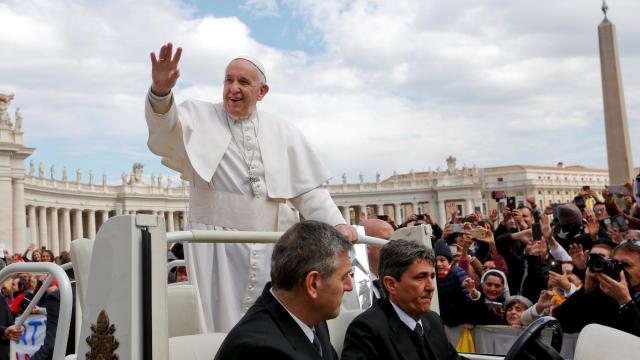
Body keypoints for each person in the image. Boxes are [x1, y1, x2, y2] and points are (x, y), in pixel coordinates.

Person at [145, 43, 357, 332]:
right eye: (228, 80)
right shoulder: (198, 114)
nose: (233, 88)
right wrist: (160, 91)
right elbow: (164, 128)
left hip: (272, 245)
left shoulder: (282, 131)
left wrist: (338, 224)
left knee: (272, 325)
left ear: (262, 92)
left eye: (243, 82)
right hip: (215, 247)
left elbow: (308, 191)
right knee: (218, 325)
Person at [214, 221, 353, 359]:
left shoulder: (315, 319)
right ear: (313, 284)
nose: (349, 286)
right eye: (343, 277)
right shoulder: (260, 351)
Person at [341, 240, 467, 360]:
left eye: (432, 277)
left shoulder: (433, 320)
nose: (431, 287)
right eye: (420, 277)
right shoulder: (366, 330)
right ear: (391, 284)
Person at [553, 239, 640, 336]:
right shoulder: (605, 293)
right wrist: (586, 291)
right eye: (614, 263)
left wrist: (625, 303)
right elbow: (562, 324)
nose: (619, 269)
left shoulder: (622, 296)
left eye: (626, 265)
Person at [363, 218, 395, 302]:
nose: (395, 247)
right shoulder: (348, 285)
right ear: (366, 245)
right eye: (387, 240)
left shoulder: (395, 281)